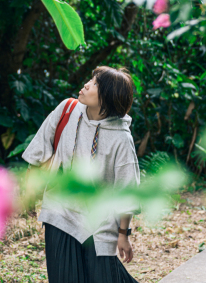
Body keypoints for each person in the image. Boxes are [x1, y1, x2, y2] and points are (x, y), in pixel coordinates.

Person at [23, 66, 141, 283]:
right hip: (59, 211)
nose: (87, 84)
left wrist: (123, 234)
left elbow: (127, 190)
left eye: (95, 83)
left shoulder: (122, 139)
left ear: (107, 97)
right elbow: (40, 146)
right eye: (91, 79)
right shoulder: (68, 109)